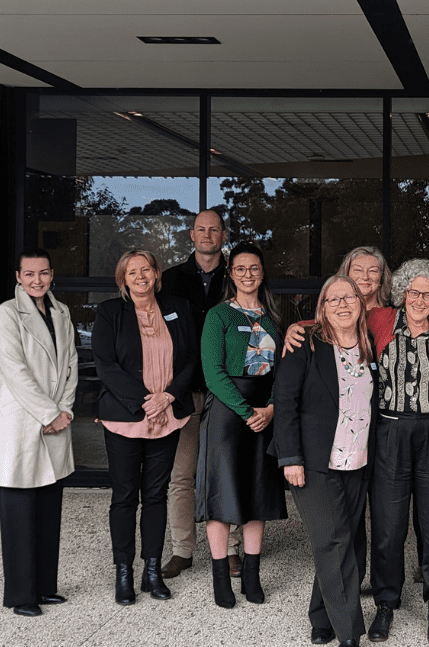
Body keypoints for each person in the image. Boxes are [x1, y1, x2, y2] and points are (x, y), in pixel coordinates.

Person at [273, 276, 379, 647]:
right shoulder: (305, 344)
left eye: (348, 297)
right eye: (332, 299)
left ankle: (321, 617)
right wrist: (290, 458)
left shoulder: (370, 345)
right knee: (333, 542)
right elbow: (284, 403)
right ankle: (350, 635)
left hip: (358, 461)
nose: (342, 305)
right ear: (322, 307)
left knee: (345, 541)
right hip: (314, 461)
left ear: (360, 302)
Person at [92, 249, 198, 605]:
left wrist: (166, 397)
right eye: (132, 271)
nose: (141, 276)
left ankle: (151, 570)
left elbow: (192, 359)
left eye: (146, 269)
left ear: (156, 274)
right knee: (125, 497)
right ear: (123, 279)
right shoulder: (109, 312)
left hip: (168, 414)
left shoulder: (178, 307)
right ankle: (123, 571)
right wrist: (144, 400)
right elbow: (106, 366)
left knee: (155, 495)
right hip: (125, 418)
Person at [367, 259, 429, 644]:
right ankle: (386, 604)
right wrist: (294, 328)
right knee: (388, 527)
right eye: (414, 292)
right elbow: (330, 324)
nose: (421, 300)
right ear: (403, 291)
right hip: (390, 430)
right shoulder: (379, 320)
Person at [0, 249, 78, 617]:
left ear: (52, 274)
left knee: (47, 508)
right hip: (22, 422)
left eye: (43, 273)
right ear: (18, 276)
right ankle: (22, 596)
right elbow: (14, 371)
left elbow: (71, 362)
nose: (37, 280)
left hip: (57, 419)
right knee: (19, 512)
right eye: (29, 274)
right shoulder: (6, 314)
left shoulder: (61, 312)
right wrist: (49, 413)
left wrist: (66, 410)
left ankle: (45, 587)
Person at [198, 242, 288, 608]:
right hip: (226, 412)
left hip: (265, 411)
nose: (247, 274)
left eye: (254, 268)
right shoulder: (218, 316)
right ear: (230, 273)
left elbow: (285, 370)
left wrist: (270, 408)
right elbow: (212, 372)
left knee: (257, 493)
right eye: (240, 268)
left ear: (262, 272)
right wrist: (246, 410)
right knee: (222, 494)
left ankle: (252, 575)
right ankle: (221, 578)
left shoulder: (275, 318)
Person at [158, 209, 241, 580]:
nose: (207, 235)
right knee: (182, 474)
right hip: (186, 390)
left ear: (224, 236)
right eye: (201, 229)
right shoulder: (171, 280)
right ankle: (182, 550)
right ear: (191, 235)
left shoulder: (237, 277)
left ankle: (234, 550)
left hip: (228, 388)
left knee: (230, 471)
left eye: (214, 229)